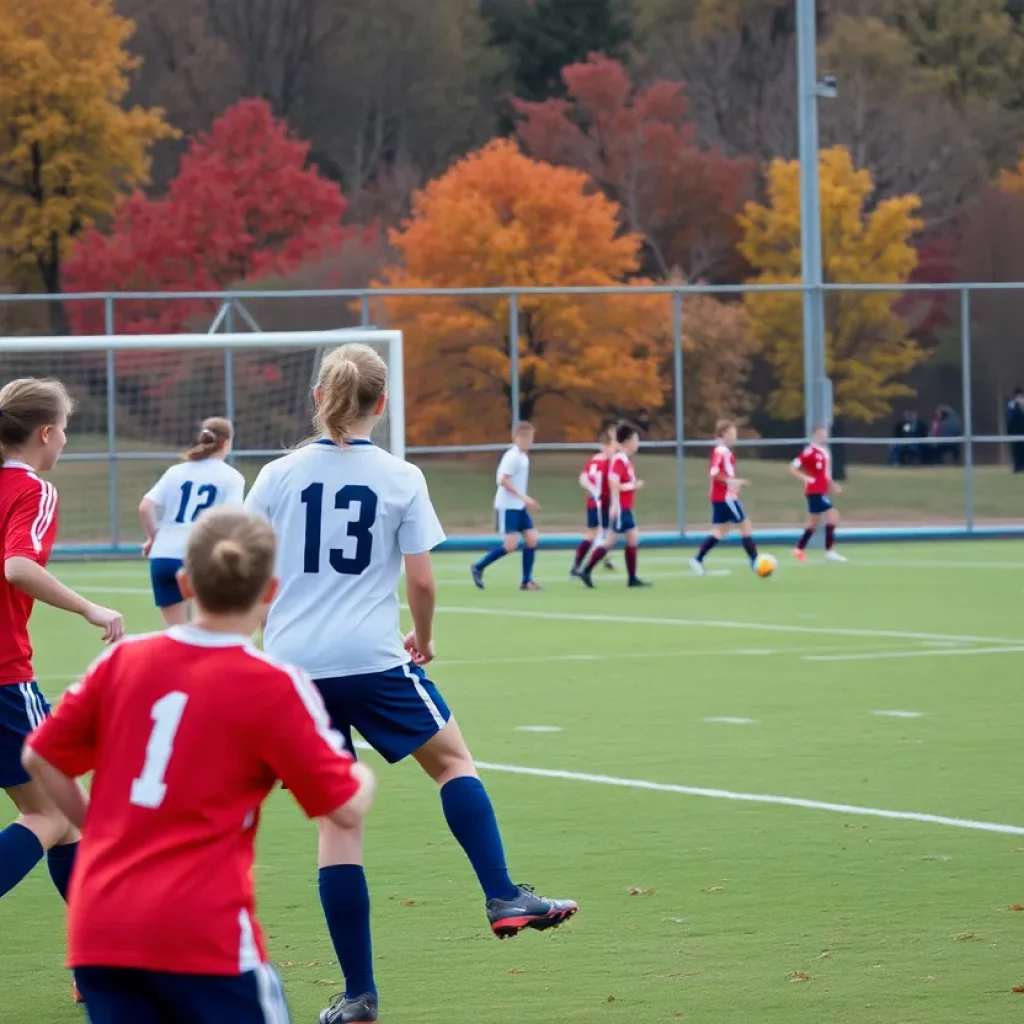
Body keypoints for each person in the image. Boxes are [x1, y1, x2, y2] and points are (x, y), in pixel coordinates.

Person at [244, 345, 577, 1024]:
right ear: (383, 403)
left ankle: (359, 995)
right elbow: (421, 580)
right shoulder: (401, 476)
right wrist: (422, 638)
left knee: (338, 823)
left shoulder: (276, 475)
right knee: (453, 762)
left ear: (318, 397)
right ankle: (502, 894)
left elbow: (247, 569)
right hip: (372, 659)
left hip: (293, 672)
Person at [22, 508, 375, 1024]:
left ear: (185, 583)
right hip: (203, 930)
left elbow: (41, 756)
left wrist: (95, 825)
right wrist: (358, 773)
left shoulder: (124, 660)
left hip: (102, 928)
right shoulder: (271, 683)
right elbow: (343, 809)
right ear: (271, 590)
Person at [0, 378, 123, 921]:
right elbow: (18, 566)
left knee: (67, 818)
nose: (67, 440)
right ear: (46, 433)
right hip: (5, 677)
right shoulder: (33, 490)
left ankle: (102, 950)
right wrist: (88, 607)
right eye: (66, 429)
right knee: (53, 814)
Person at [139, 417, 246, 627]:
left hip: (163, 556)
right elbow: (231, 520)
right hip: (200, 557)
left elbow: (145, 507)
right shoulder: (232, 477)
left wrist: (153, 538)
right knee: (208, 630)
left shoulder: (176, 471)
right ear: (226, 443)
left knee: (174, 633)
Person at [577, 421, 650, 588]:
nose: (637, 444)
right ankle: (586, 570)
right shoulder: (619, 459)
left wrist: (631, 486)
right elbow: (613, 481)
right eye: (635, 440)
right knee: (611, 541)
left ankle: (632, 578)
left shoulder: (625, 460)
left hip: (625, 507)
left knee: (631, 538)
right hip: (621, 507)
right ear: (627, 442)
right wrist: (617, 502)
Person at [471, 421, 541, 591]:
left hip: (519, 507)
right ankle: (478, 567)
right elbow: (502, 479)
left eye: (531, 437)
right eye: (526, 438)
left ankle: (526, 581)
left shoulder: (523, 457)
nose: (529, 441)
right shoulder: (513, 456)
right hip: (508, 506)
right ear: (518, 438)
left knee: (532, 539)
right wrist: (523, 497)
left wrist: (523, 500)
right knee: (510, 545)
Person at [690, 419, 760, 575]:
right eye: (732, 433)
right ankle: (755, 560)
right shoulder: (721, 451)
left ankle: (697, 559)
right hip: (726, 497)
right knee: (745, 525)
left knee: (721, 531)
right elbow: (714, 473)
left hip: (721, 496)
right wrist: (733, 482)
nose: (735, 436)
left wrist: (733, 484)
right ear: (724, 434)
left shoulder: (722, 451)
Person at [790, 426, 846, 563]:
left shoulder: (824, 452)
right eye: (820, 434)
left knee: (813, 524)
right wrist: (805, 478)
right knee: (832, 515)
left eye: (824, 435)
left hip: (821, 490)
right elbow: (792, 467)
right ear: (814, 435)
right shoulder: (809, 451)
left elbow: (826, 474)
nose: (823, 437)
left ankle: (799, 549)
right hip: (814, 490)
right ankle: (829, 551)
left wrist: (832, 485)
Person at [570, 419, 618, 576]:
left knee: (602, 533)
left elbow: (583, 478)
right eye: (613, 446)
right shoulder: (606, 463)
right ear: (605, 446)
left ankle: (604, 559)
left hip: (598, 502)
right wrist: (594, 490)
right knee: (595, 534)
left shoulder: (595, 460)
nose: (616, 449)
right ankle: (577, 566)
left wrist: (591, 489)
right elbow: (584, 478)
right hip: (600, 503)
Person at [1006, 388, 1024, 473]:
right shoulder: (1011, 405)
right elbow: (1010, 417)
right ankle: (1017, 467)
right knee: (1015, 450)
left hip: (1022, 431)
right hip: (1014, 432)